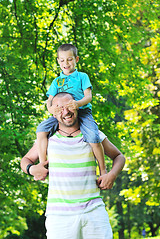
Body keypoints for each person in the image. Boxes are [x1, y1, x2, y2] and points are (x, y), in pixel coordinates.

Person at [21, 92, 125, 239]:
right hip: (59, 216)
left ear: (77, 106)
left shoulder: (93, 135)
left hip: (93, 211)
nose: (66, 112)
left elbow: (119, 157)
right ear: (54, 113)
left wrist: (111, 175)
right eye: (60, 108)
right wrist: (31, 169)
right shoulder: (47, 138)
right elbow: (25, 160)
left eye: (69, 106)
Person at [36, 43, 106, 177]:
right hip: (61, 114)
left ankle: (102, 170)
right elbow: (49, 100)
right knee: (41, 129)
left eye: (69, 59)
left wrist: (78, 104)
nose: (66, 63)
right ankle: (43, 164)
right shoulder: (56, 81)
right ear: (58, 61)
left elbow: (88, 96)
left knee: (93, 137)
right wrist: (51, 109)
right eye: (62, 60)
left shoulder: (82, 77)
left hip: (82, 112)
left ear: (76, 59)